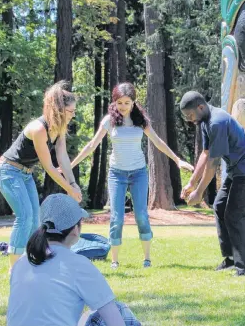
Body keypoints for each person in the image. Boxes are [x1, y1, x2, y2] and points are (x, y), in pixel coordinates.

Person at [70, 82, 193, 269]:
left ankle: (147, 259)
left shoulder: (141, 121)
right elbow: (91, 146)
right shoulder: (108, 121)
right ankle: (114, 260)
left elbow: (158, 142)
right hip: (116, 174)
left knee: (141, 215)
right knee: (116, 217)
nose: (123, 107)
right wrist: (70, 165)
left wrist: (177, 160)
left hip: (138, 173)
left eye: (127, 103)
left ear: (133, 103)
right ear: (114, 103)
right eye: (120, 103)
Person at [7, 193, 140, 326]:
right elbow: (115, 321)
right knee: (119, 310)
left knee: (87, 316)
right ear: (75, 230)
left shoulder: (21, 263)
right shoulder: (79, 265)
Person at [0, 81, 82, 271]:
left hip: (24, 174)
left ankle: (30, 261)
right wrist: (69, 189)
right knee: (25, 217)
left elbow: (62, 156)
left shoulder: (59, 129)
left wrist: (73, 183)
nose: (73, 115)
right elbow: (49, 167)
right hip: (8, 171)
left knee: (36, 220)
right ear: (59, 110)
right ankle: (14, 269)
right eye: (71, 111)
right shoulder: (39, 128)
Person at [179, 91, 245, 276]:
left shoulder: (216, 122)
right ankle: (231, 259)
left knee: (234, 215)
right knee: (220, 206)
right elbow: (205, 154)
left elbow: (213, 164)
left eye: (190, 115)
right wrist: (191, 184)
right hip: (238, 169)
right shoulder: (204, 121)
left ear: (200, 107)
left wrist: (199, 193)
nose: (189, 119)